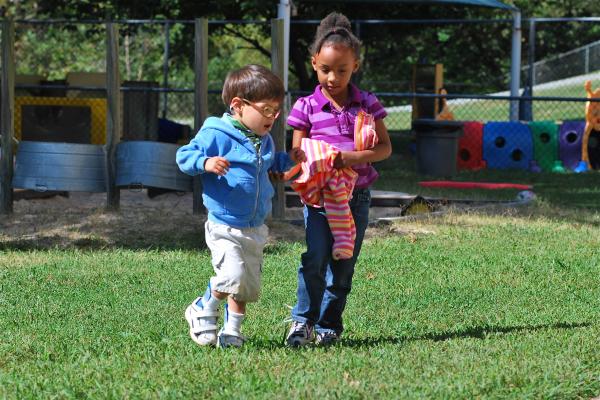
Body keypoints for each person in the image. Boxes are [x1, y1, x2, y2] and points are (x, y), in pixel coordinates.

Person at [176, 64, 304, 348]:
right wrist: (206, 163)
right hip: (224, 223)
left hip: (255, 225)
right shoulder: (216, 133)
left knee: (246, 285)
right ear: (238, 105)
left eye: (277, 110)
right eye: (267, 109)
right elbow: (185, 156)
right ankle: (202, 307)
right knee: (231, 275)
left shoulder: (264, 140)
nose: (273, 116)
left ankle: (232, 330)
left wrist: (290, 158)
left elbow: (272, 165)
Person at [285, 12, 392, 347]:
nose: (333, 77)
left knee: (343, 263)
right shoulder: (306, 106)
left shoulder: (367, 103)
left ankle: (330, 324)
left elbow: (386, 148)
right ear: (314, 62)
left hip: (356, 197)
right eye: (325, 69)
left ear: (355, 66)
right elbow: (296, 150)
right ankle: (303, 322)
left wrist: (352, 159)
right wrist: (308, 161)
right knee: (316, 257)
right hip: (318, 198)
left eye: (342, 70)